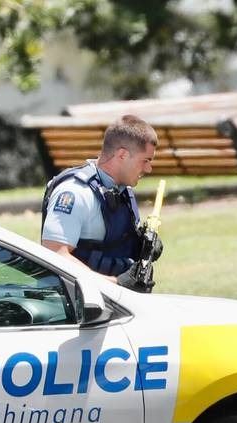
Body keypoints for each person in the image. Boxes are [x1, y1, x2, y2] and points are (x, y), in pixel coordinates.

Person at [41, 114, 161, 292]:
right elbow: (55, 254)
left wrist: (141, 247)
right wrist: (115, 284)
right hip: (72, 302)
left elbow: (111, 246)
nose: (149, 169)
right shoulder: (76, 192)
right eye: (145, 160)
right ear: (122, 155)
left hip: (109, 300)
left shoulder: (122, 191)